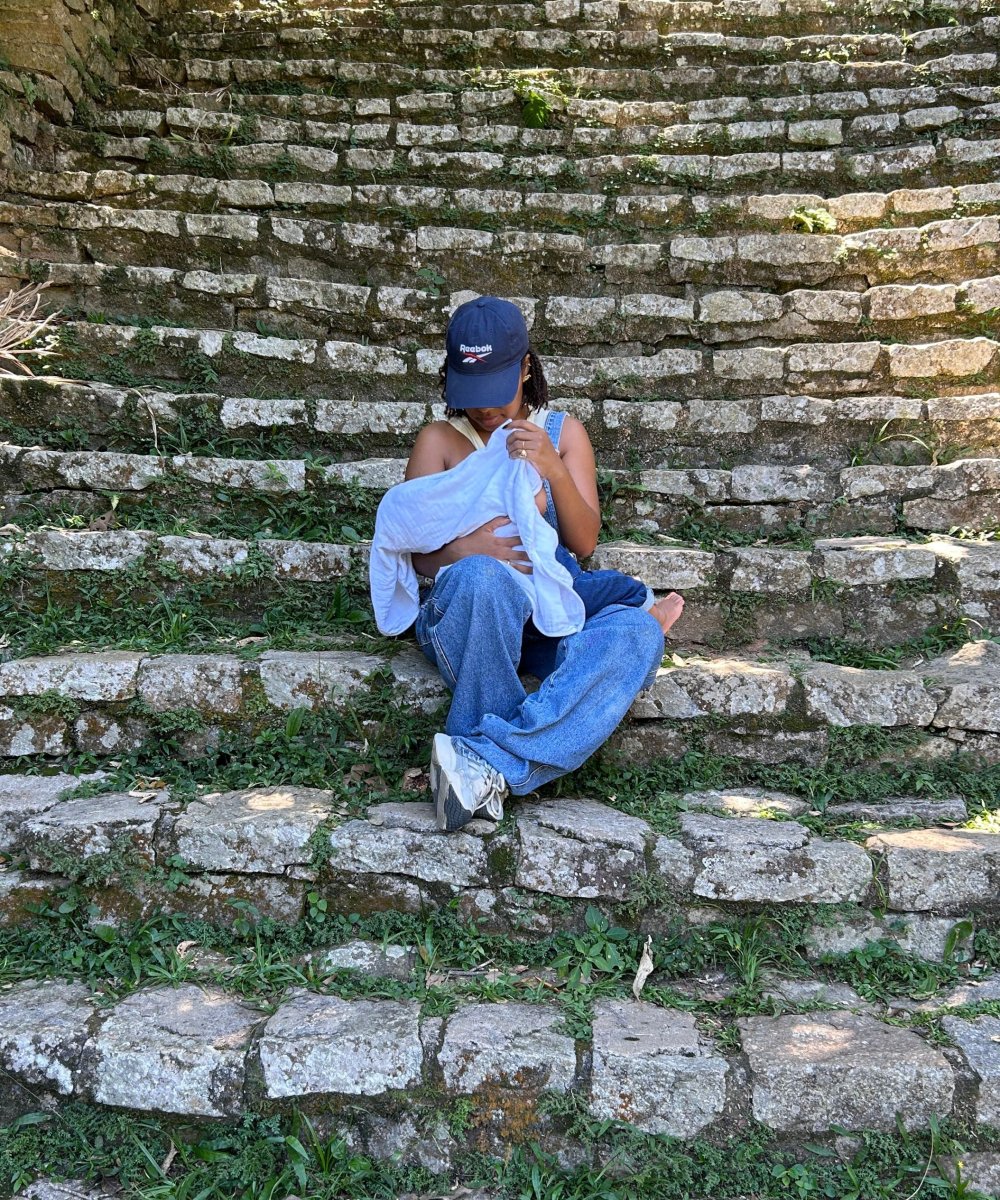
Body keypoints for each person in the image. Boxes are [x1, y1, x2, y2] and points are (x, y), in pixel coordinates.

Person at [403, 296, 684, 832]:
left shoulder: (562, 433)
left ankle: (485, 764)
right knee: (482, 579)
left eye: (497, 393)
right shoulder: (439, 442)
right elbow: (413, 550)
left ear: (526, 367)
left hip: (549, 616)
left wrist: (554, 469)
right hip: (471, 612)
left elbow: (582, 543)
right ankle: (501, 756)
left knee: (636, 637)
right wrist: (464, 551)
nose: (485, 410)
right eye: (472, 393)